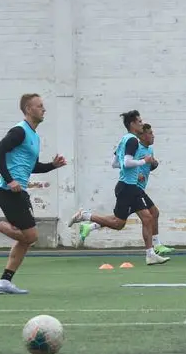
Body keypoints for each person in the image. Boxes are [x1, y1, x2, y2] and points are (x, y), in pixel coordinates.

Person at [0, 94, 67, 295]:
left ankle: (4, 282)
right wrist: (10, 179)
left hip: (19, 191)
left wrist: (52, 166)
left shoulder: (34, 136)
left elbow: (32, 166)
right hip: (8, 191)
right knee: (30, 236)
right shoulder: (19, 131)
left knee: (25, 239)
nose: (44, 109)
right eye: (40, 106)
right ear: (29, 109)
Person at [66, 111, 169, 266]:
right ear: (132, 124)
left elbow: (115, 163)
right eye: (139, 122)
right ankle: (85, 215)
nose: (142, 124)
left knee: (147, 217)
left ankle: (150, 254)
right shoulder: (133, 140)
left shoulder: (124, 140)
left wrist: (137, 164)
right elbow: (126, 162)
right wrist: (143, 161)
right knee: (118, 224)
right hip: (127, 187)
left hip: (130, 186)